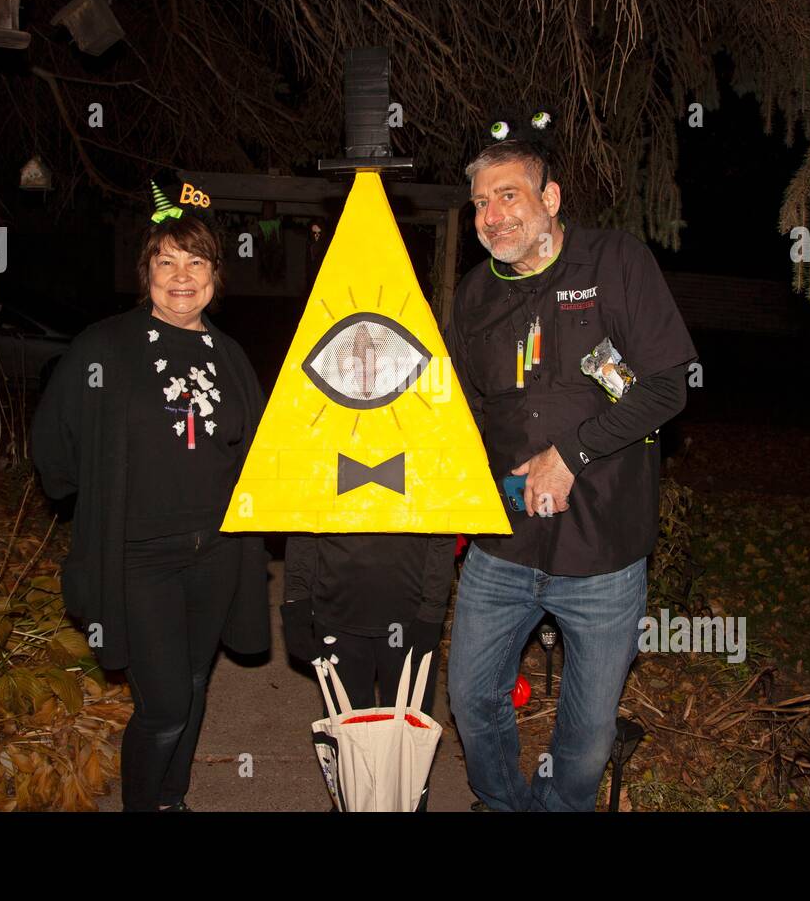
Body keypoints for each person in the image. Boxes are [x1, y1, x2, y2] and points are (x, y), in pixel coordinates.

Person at [445, 133, 697, 811]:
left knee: (584, 736)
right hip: (504, 545)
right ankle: (502, 802)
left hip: (602, 552)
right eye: (478, 205)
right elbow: (460, 410)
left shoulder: (615, 262)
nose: (491, 216)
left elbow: (666, 386)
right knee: (470, 697)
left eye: (507, 196)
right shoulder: (474, 296)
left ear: (550, 199)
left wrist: (570, 455)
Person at [33, 182, 270, 811]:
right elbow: (53, 442)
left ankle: (172, 799)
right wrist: (99, 498)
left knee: (193, 685)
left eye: (196, 262)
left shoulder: (232, 357)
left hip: (215, 554)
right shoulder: (104, 346)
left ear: (216, 275)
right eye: (167, 261)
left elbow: (257, 454)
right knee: (164, 705)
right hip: (139, 560)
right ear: (147, 273)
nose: (182, 276)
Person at [282, 532, 455, 811]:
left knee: (408, 743)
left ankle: (408, 805)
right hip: (337, 616)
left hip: (409, 618)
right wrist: (295, 602)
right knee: (347, 740)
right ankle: (351, 803)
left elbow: (442, 530)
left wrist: (432, 611)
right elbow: (304, 524)